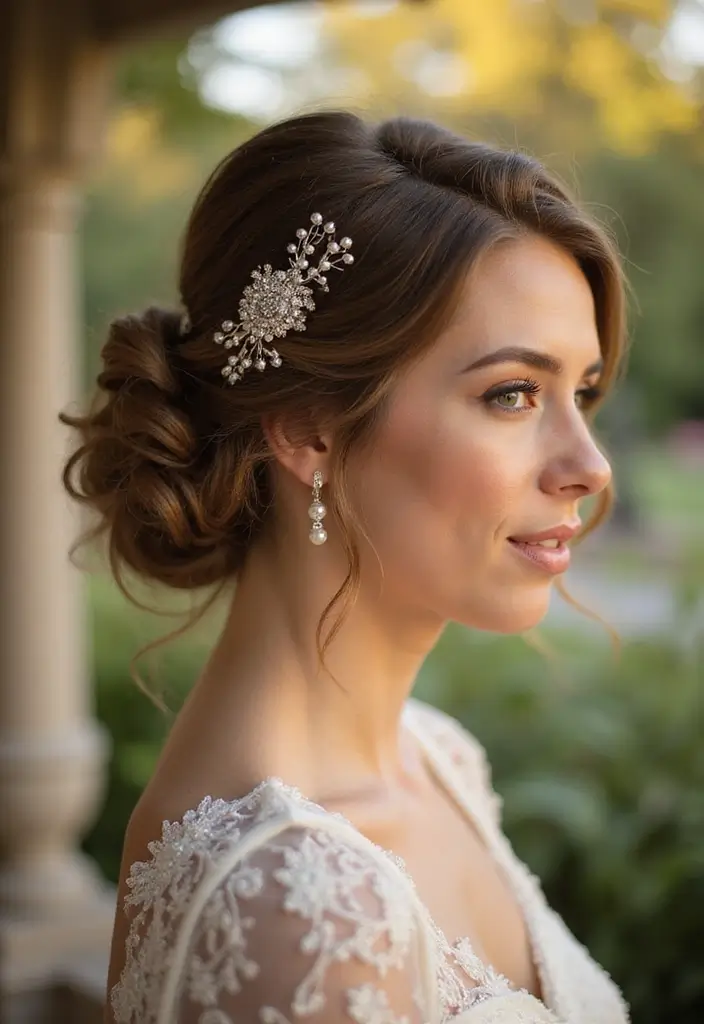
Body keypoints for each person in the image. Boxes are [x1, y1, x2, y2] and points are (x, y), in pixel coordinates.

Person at [61, 109, 631, 1024]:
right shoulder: (291, 911)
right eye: (513, 393)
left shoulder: (438, 757)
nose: (590, 465)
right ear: (307, 427)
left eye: (584, 391)